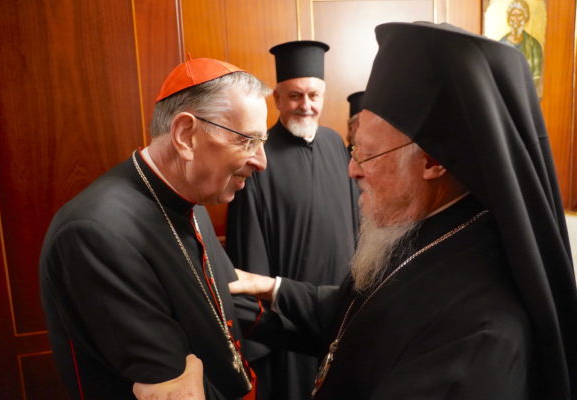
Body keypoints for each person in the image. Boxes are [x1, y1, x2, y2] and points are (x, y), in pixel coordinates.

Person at [230, 22, 577, 399]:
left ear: (432, 161)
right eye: (353, 150)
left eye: (367, 154)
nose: (352, 170)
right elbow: (363, 315)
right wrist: (270, 287)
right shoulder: (421, 227)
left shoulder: (480, 333)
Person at [39, 57, 272, 400]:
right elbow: (170, 382)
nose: (262, 161)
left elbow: (219, 307)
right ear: (186, 135)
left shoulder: (190, 195)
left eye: (262, 141)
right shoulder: (94, 234)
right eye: (247, 141)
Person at [225, 41, 359, 400]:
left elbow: (357, 224)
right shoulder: (258, 156)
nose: (306, 105)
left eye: (314, 95)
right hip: (287, 322)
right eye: (295, 96)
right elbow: (249, 250)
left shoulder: (336, 145)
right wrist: (264, 328)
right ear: (278, 99)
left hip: (337, 310)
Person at [499, 0, 543, 97]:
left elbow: (536, 77)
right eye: (513, 15)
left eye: (520, 15)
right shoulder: (500, 45)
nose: (516, 20)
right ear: (508, 18)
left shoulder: (534, 46)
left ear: (525, 18)